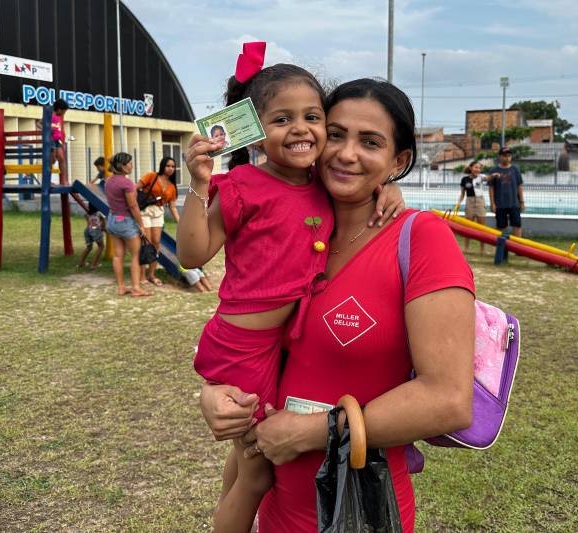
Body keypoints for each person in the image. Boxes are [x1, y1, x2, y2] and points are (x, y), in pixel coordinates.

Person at [199, 79, 475, 533]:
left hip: (357, 510)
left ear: (399, 161)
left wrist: (310, 433)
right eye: (338, 133)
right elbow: (250, 334)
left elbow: (447, 400)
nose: (346, 154)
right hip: (274, 506)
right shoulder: (294, 230)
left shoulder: (422, 239)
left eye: (370, 143)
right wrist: (217, 393)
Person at [179, 43, 405, 533]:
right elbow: (193, 255)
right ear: (257, 132)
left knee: (243, 462)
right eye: (282, 119)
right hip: (242, 347)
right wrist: (198, 184)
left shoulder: (321, 184)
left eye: (312, 116)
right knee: (257, 472)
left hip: (279, 347)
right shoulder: (241, 184)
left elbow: (363, 179)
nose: (301, 129)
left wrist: (389, 185)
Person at [104, 152, 150, 297]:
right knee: (135, 256)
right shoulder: (127, 183)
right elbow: (133, 206)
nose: (131, 165)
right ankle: (136, 288)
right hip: (126, 222)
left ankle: (121, 287)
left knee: (118, 256)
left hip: (112, 219)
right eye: (129, 163)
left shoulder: (108, 181)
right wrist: (141, 225)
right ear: (123, 167)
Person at [136, 157, 181, 286]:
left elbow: (172, 207)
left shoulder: (172, 187)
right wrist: (132, 207)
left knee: (156, 243)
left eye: (173, 166)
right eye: (168, 166)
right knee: (146, 242)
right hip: (144, 211)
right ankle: (141, 275)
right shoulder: (151, 176)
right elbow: (134, 188)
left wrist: (180, 222)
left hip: (158, 213)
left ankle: (152, 274)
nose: (170, 168)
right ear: (162, 166)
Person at [488, 147, 525, 237]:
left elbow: (519, 186)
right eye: (504, 156)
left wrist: (522, 201)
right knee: (501, 226)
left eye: (509, 156)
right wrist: (492, 203)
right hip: (500, 204)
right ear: (500, 157)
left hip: (514, 203)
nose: (507, 158)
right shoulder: (494, 170)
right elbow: (491, 188)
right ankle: (502, 248)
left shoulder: (515, 169)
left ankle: (517, 247)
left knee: (517, 225)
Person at [456, 161, 490, 253]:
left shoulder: (481, 177)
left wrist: (493, 176)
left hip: (480, 201)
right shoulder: (464, 179)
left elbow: (488, 178)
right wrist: (459, 203)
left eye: (479, 168)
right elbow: (462, 194)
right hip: (469, 202)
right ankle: (466, 248)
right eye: (475, 167)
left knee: (481, 227)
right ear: (471, 168)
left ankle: (482, 249)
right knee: (468, 227)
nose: (477, 169)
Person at [77, 203, 105, 270]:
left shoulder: (87, 214)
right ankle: (94, 265)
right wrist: (102, 228)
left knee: (89, 247)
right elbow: (103, 222)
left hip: (87, 230)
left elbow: (89, 223)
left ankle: (81, 263)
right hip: (95, 229)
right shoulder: (99, 213)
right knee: (101, 247)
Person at [51, 99, 69, 184]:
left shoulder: (59, 117)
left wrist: (63, 142)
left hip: (58, 140)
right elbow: (39, 124)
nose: (64, 114)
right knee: (52, 160)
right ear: (59, 109)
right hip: (51, 140)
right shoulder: (50, 115)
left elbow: (61, 129)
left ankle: (64, 180)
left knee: (62, 158)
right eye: (64, 112)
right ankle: (48, 180)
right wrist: (47, 129)